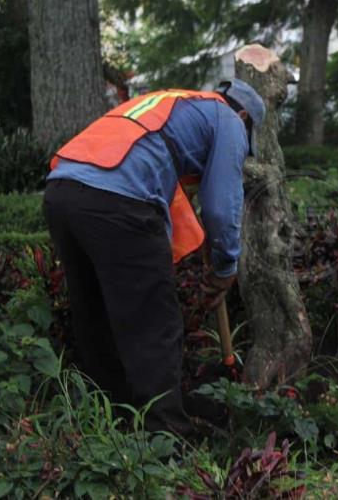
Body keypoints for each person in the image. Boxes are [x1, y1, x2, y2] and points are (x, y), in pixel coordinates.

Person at [43, 80, 265, 437]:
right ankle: (167, 439)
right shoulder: (229, 120)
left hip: (62, 192)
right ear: (243, 116)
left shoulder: (168, 102)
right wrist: (225, 267)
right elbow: (222, 208)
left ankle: (112, 426)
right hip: (117, 199)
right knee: (154, 325)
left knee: (95, 318)